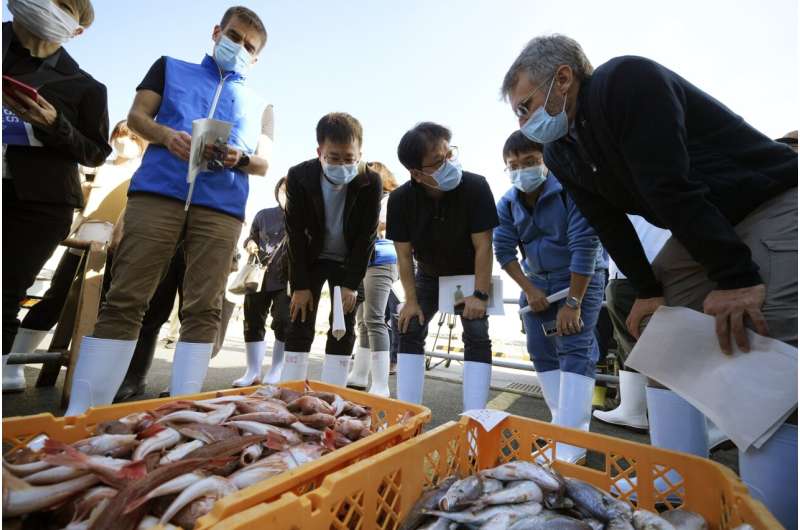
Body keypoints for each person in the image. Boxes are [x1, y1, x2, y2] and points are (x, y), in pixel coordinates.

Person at [501, 35, 797, 525]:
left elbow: (669, 185)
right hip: (698, 221)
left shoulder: (624, 81)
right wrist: (648, 290)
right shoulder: (560, 153)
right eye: (517, 114)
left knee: (768, 350)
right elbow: (609, 222)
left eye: (526, 105)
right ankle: (681, 498)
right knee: (663, 343)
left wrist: (736, 277)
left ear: (564, 78)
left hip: (766, 201)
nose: (524, 121)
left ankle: (770, 514)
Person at [64, 6, 274, 416]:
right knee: (125, 297)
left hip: (221, 207)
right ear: (217, 32)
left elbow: (264, 162)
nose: (239, 48)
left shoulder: (261, 103)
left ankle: (185, 415)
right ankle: (85, 413)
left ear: (257, 57)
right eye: (233, 37)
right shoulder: (170, 67)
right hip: (158, 194)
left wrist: (239, 157)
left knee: (203, 308)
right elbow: (136, 117)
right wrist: (166, 136)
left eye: (249, 46)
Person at [2, 0, 110, 368]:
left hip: (36, 204)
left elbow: (95, 152)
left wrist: (54, 124)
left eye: (62, 4)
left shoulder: (85, 87)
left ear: (76, 30)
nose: (48, 6)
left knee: (4, 294)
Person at [3, 120, 145, 393]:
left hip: (118, 247)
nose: (122, 142)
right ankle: (12, 366)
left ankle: (91, 379)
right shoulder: (96, 167)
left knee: (105, 310)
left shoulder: (143, 174)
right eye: (118, 136)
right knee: (55, 300)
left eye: (131, 138)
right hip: (80, 240)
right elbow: (79, 203)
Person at [494, 131, 607, 463]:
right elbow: (503, 250)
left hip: (579, 278)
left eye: (530, 162)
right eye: (513, 165)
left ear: (547, 160)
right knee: (541, 351)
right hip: (537, 284)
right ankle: (561, 426)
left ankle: (574, 445)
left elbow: (585, 246)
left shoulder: (571, 190)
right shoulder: (507, 202)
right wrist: (530, 289)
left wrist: (573, 303)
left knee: (574, 349)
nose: (522, 170)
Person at [387, 122, 498, 410]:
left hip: (469, 276)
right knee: (409, 326)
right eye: (438, 162)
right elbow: (403, 255)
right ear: (416, 173)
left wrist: (481, 294)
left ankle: (475, 416)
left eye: (449, 154)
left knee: (476, 332)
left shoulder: (476, 186)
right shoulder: (399, 200)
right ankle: (409, 415)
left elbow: (484, 245)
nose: (449, 163)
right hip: (429, 274)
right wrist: (410, 301)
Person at [282, 112, 382, 386]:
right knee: (300, 320)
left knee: (343, 325)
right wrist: (300, 285)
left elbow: (366, 237)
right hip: (312, 258)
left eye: (349, 158)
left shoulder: (370, 181)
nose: (342, 165)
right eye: (333, 157)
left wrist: (351, 284)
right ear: (319, 152)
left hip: (347, 262)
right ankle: (290, 390)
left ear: (360, 153)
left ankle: (334, 393)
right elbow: (295, 234)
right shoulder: (299, 176)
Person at [592, 216, 670, 430]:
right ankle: (639, 410)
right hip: (670, 264)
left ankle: (635, 410)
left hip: (629, 273)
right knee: (664, 345)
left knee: (633, 343)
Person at [347, 162, 400, 396]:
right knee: (362, 320)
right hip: (363, 261)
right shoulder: (362, 197)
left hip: (383, 259)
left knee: (375, 318)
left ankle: (380, 383)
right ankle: (359, 374)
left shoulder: (393, 199)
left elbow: (395, 227)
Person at [232, 177, 290, 387]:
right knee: (253, 320)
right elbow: (251, 237)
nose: (287, 194)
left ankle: (276, 368)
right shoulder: (264, 215)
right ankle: (252, 371)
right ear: (277, 190)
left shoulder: (303, 217)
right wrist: (250, 244)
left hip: (287, 278)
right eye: (284, 189)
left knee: (283, 321)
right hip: (258, 275)